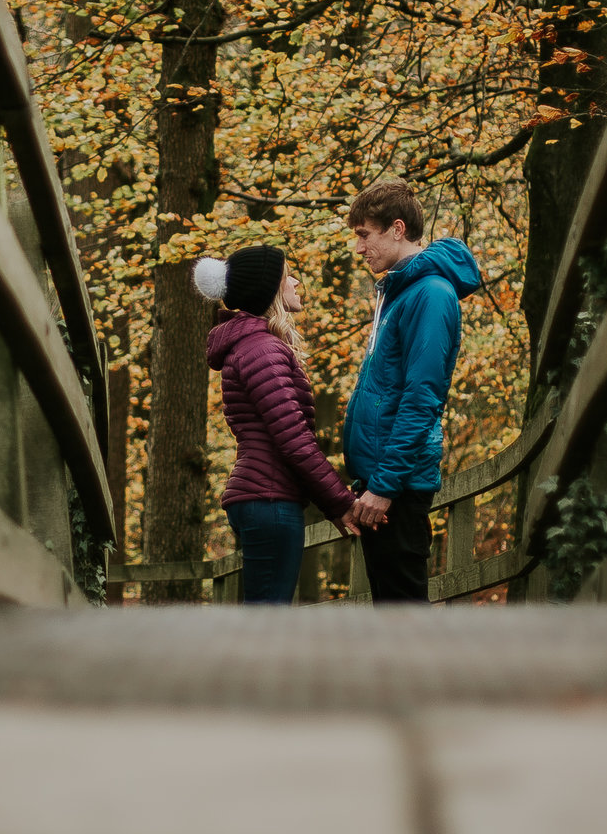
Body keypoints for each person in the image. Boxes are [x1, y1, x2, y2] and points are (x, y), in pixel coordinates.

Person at [340, 180, 482, 603]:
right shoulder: (399, 293)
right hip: (382, 480)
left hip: (397, 488)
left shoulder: (431, 295)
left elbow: (422, 399)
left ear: (397, 229)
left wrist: (383, 487)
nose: (360, 247)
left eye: (365, 234)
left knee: (403, 616)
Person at [197, 245, 360, 604]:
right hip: (268, 500)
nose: (296, 281)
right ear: (268, 289)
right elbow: (293, 439)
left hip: (264, 497)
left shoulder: (257, 346)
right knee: (267, 623)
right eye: (288, 274)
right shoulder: (261, 349)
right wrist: (340, 503)